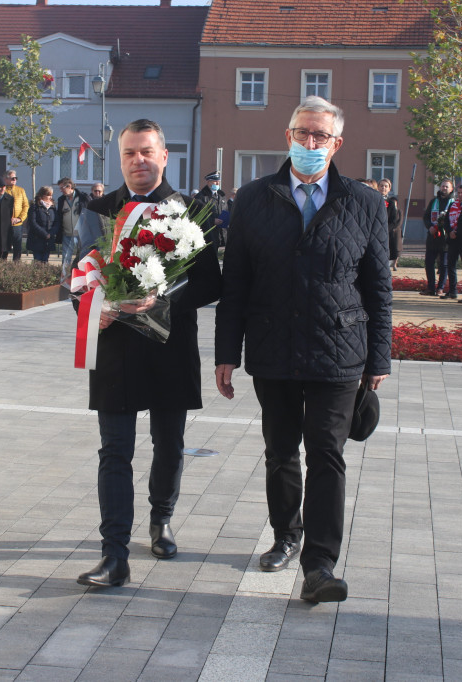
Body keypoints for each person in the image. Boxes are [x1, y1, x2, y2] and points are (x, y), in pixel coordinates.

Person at [214, 96, 392, 605]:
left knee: (328, 453)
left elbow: (378, 286)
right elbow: (235, 285)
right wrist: (226, 353)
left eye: (319, 136)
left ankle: (320, 562)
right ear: (287, 135)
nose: (309, 143)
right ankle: (285, 534)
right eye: (301, 133)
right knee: (280, 451)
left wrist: (379, 357)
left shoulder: (364, 202)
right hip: (273, 344)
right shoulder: (252, 199)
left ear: (337, 144)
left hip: (338, 349)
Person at [76, 119, 221, 589]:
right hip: (115, 345)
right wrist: (91, 307)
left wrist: (163, 298)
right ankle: (113, 554)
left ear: (164, 155)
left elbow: (210, 282)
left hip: (170, 345)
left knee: (169, 444)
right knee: (114, 451)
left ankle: (161, 519)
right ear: (120, 159)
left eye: (146, 152)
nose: (138, 160)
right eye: (129, 154)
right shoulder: (98, 210)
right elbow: (77, 276)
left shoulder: (191, 211)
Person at [422, 180, 453, 296]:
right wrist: (429, 227)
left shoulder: (453, 202)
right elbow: (426, 217)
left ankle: (440, 288)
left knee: (444, 264)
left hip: (445, 239)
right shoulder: (434, 201)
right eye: (442, 186)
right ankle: (430, 287)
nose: (444, 188)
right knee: (429, 262)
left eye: (447, 187)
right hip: (432, 238)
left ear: (451, 189)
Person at [439, 184, 462, 299]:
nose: (461, 195)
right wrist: (450, 231)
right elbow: (446, 221)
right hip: (452, 239)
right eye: (459, 193)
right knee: (450, 265)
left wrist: (459, 232)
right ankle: (452, 290)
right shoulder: (453, 204)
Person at [56, 177, 90, 269]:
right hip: (67, 233)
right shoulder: (61, 200)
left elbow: (90, 214)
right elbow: (59, 216)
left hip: (81, 234)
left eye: (62, 188)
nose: (60, 190)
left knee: (82, 257)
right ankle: (65, 278)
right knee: (66, 258)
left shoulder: (83, 198)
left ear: (69, 186)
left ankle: (81, 277)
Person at [195, 171, 229, 246]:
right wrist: (212, 221)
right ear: (208, 182)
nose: (217, 183)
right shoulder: (201, 197)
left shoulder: (222, 196)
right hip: (209, 236)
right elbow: (197, 215)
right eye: (215, 181)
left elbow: (226, 210)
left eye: (218, 181)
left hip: (223, 236)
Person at [25, 186, 57, 263]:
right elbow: (33, 222)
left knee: (45, 260)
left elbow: (56, 222)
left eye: (51, 195)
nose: (50, 197)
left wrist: (51, 233)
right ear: (42, 195)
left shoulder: (52, 207)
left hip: (48, 240)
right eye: (48, 195)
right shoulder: (35, 207)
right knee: (38, 260)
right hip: (37, 239)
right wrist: (44, 234)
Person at [4, 170, 29, 260]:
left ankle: (16, 266)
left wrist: (19, 218)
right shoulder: (3, 190)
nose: (14, 180)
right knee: (4, 247)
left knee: (17, 247)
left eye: (16, 178)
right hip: (5, 224)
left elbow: (25, 206)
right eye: (12, 178)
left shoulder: (20, 190)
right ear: (6, 179)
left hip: (17, 224)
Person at [380, 177, 403, 271]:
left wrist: (386, 229)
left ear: (389, 188)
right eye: (381, 186)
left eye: (386, 186)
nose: (383, 188)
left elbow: (394, 219)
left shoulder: (392, 202)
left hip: (387, 231)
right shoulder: (373, 199)